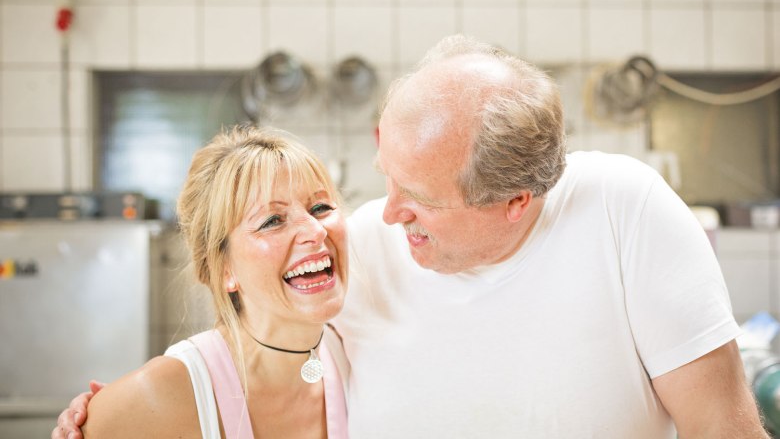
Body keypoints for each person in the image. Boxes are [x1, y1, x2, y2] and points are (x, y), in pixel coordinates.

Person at [55, 34, 767, 438]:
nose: (384, 215)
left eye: (418, 199)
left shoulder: (624, 212)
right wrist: (102, 419)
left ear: (516, 201)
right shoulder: (360, 249)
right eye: (383, 177)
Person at [55, 126, 350, 438]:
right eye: (272, 221)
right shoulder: (158, 396)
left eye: (321, 207)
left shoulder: (358, 350)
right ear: (223, 269)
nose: (316, 231)